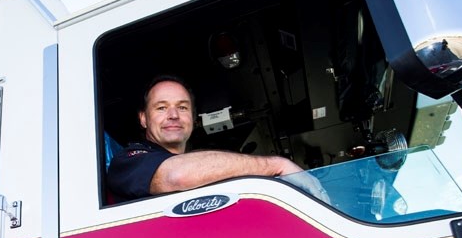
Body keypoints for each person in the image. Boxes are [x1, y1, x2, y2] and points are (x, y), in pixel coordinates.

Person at [107, 74, 322, 201]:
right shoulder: (129, 160)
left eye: (182, 107)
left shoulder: (200, 167)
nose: (173, 115)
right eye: (161, 107)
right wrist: (276, 165)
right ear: (144, 119)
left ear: (192, 117)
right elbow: (177, 174)